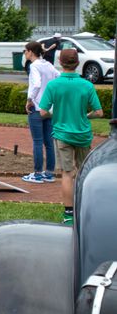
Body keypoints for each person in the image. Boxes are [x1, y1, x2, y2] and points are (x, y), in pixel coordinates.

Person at [38, 48, 103, 225]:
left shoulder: (53, 85)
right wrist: (85, 115)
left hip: (62, 134)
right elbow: (99, 112)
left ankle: (68, 215)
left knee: (67, 174)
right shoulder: (87, 85)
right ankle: (85, 210)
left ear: (60, 62)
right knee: (84, 173)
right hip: (83, 134)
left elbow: (43, 112)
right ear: (77, 63)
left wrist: (57, 114)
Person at [21, 41, 59, 184]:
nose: (24, 53)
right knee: (49, 142)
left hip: (36, 108)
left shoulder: (34, 66)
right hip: (49, 109)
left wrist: (30, 99)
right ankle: (49, 173)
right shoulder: (48, 65)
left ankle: (37, 173)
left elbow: (36, 84)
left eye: (25, 51)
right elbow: (59, 77)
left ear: (31, 51)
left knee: (37, 141)